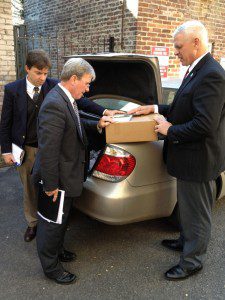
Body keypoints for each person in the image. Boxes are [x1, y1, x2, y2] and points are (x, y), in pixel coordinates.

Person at [129, 20, 225, 280]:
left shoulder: (212, 74)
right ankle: (185, 241)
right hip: (187, 158)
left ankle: (192, 261)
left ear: (196, 42)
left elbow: (204, 124)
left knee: (198, 214)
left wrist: (168, 130)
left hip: (199, 159)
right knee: (187, 207)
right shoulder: (196, 69)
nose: (176, 52)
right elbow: (184, 108)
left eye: (179, 47)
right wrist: (155, 108)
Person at [0, 49, 120, 242]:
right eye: (38, 73)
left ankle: (51, 222)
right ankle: (33, 224)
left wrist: (105, 111)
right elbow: (5, 122)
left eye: (46, 73)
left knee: (51, 187)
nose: (42, 77)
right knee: (30, 189)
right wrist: (6, 150)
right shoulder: (13, 90)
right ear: (27, 69)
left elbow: (82, 103)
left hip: (52, 147)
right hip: (27, 149)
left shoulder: (55, 85)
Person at [32, 57, 114, 284]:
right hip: (55, 178)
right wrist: (50, 186)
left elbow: (75, 126)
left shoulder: (66, 98)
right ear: (74, 79)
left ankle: (58, 251)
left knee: (62, 218)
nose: (88, 89)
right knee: (50, 223)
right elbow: (48, 151)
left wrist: (97, 124)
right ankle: (51, 267)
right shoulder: (54, 104)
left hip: (66, 175)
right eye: (87, 83)